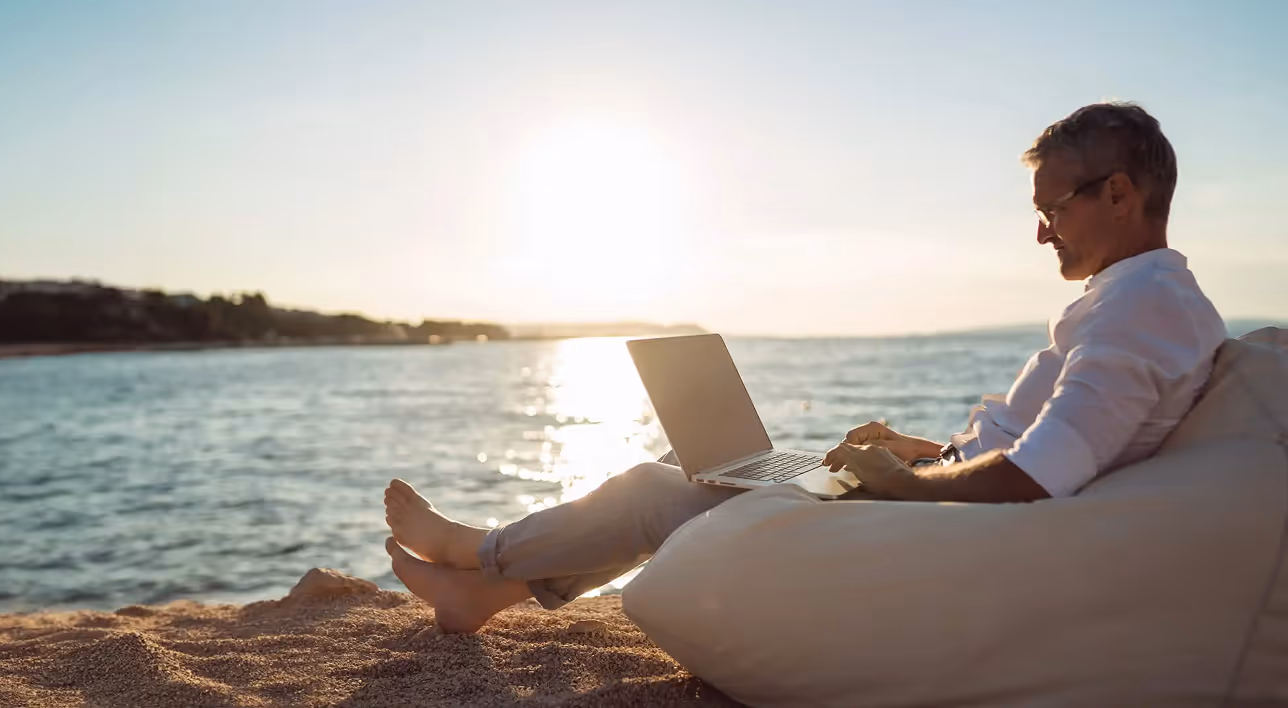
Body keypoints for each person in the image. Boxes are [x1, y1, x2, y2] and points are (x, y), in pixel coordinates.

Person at [383, 102, 1226, 633]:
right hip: (945, 503)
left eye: (1053, 208)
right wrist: (919, 451)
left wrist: (903, 485)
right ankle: (484, 594)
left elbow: (1039, 478)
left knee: (654, 491)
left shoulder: (1138, 311)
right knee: (705, 471)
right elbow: (1047, 448)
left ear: (1119, 194)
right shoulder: (1143, 301)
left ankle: (479, 556)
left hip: (944, 533)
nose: (1042, 232)